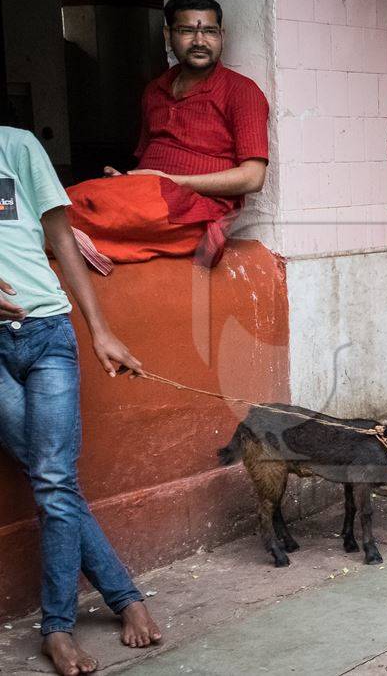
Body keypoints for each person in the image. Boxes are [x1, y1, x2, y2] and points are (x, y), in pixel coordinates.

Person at [0, 127, 160, 676]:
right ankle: (119, 599)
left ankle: (60, 627)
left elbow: (60, 235)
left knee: (52, 479)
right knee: (54, 480)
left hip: (45, 330)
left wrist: (100, 330)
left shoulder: (16, 145)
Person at [68, 0, 269, 274]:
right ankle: (88, 244)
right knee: (66, 199)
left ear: (222, 35)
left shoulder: (241, 91)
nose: (200, 41)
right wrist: (126, 181)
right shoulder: (155, 90)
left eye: (210, 31)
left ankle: (87, 243)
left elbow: (253, 177)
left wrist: (169, 181)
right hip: (151, 196)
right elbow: (148, 164)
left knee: (84, 212)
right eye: (187, 30)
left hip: (196, 211)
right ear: (168, 34)